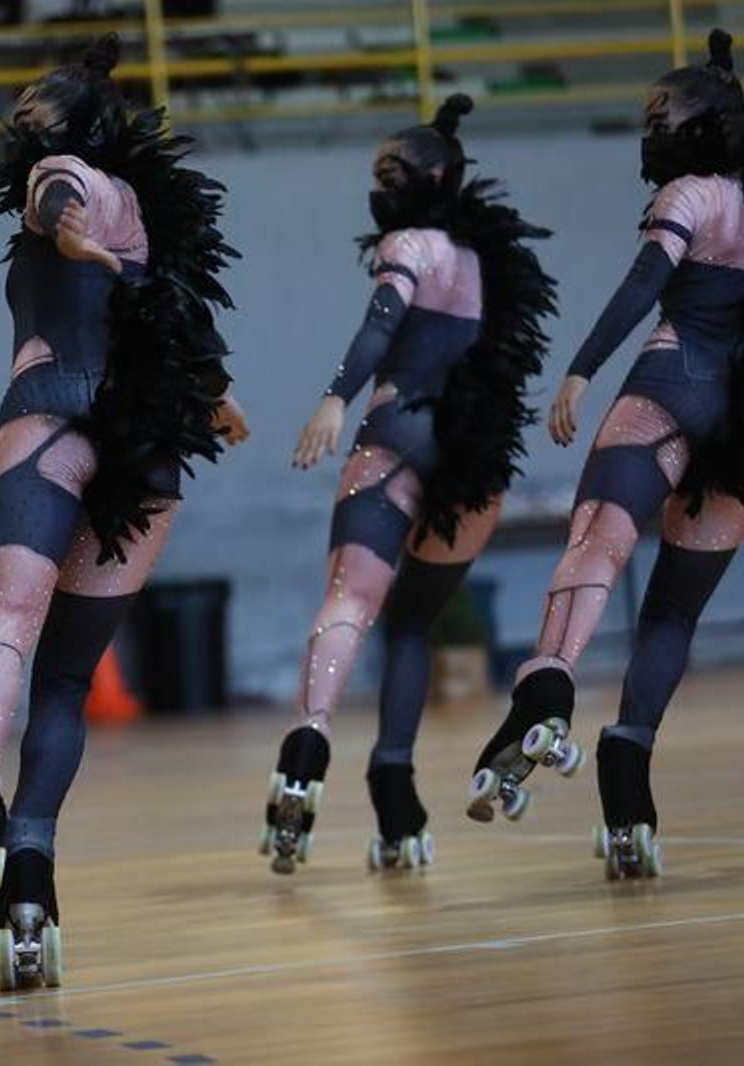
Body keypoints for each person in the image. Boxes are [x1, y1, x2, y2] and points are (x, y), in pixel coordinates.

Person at [466, 32, 744, 881]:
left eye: (660, 117)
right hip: (743, 418)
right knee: (673, 615)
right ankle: (629, 782)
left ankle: (547, 687)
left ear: (702, 124)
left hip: (668, 386)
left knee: (597, 542)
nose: (651, 132)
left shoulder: (691, 193)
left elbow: (644, 283)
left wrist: (579, 369)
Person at [0, 34, 248, 992]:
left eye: (34, 111)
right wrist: (218, 395)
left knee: (5, 625)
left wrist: (67, 235)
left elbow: (52, 202)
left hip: (52, 411)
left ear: (78, 126)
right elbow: (184, 313)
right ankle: (30, 887)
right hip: (145, 447)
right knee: (65, 682)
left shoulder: (65, 176)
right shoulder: (152, 211)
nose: (19, 124)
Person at [258, 95, 556, 876]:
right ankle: (396, 796)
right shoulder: (490, 260)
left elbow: (381, 325)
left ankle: (307, 742)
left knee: (350, 600)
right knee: (414, 627)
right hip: (473, 458)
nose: (379, 186)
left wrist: (334, 394)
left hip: (395, 432)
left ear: (435, 177)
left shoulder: (410, 242)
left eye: (392, 172)